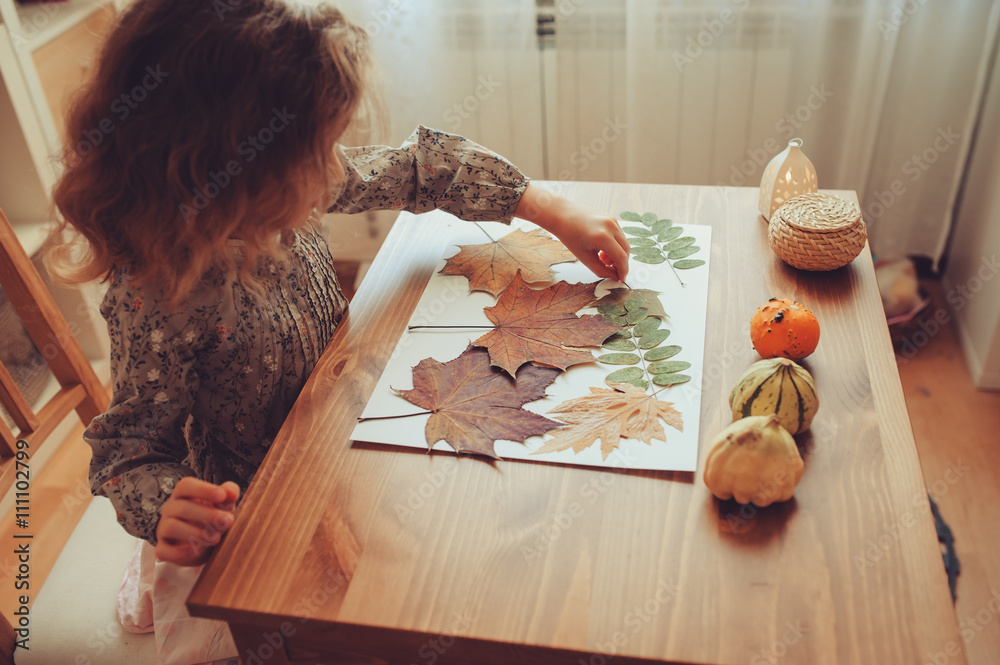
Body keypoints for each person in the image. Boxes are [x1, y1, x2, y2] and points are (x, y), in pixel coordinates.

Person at [48, 0, 629, 572]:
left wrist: (550, 208)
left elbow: (420, 166)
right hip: (266, 502)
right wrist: (167, 508)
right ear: (225, 166)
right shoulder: (155, 296)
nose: (335, 171)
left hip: (350, 413)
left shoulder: (278, 181)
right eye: (316, 152)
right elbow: (127, 452)